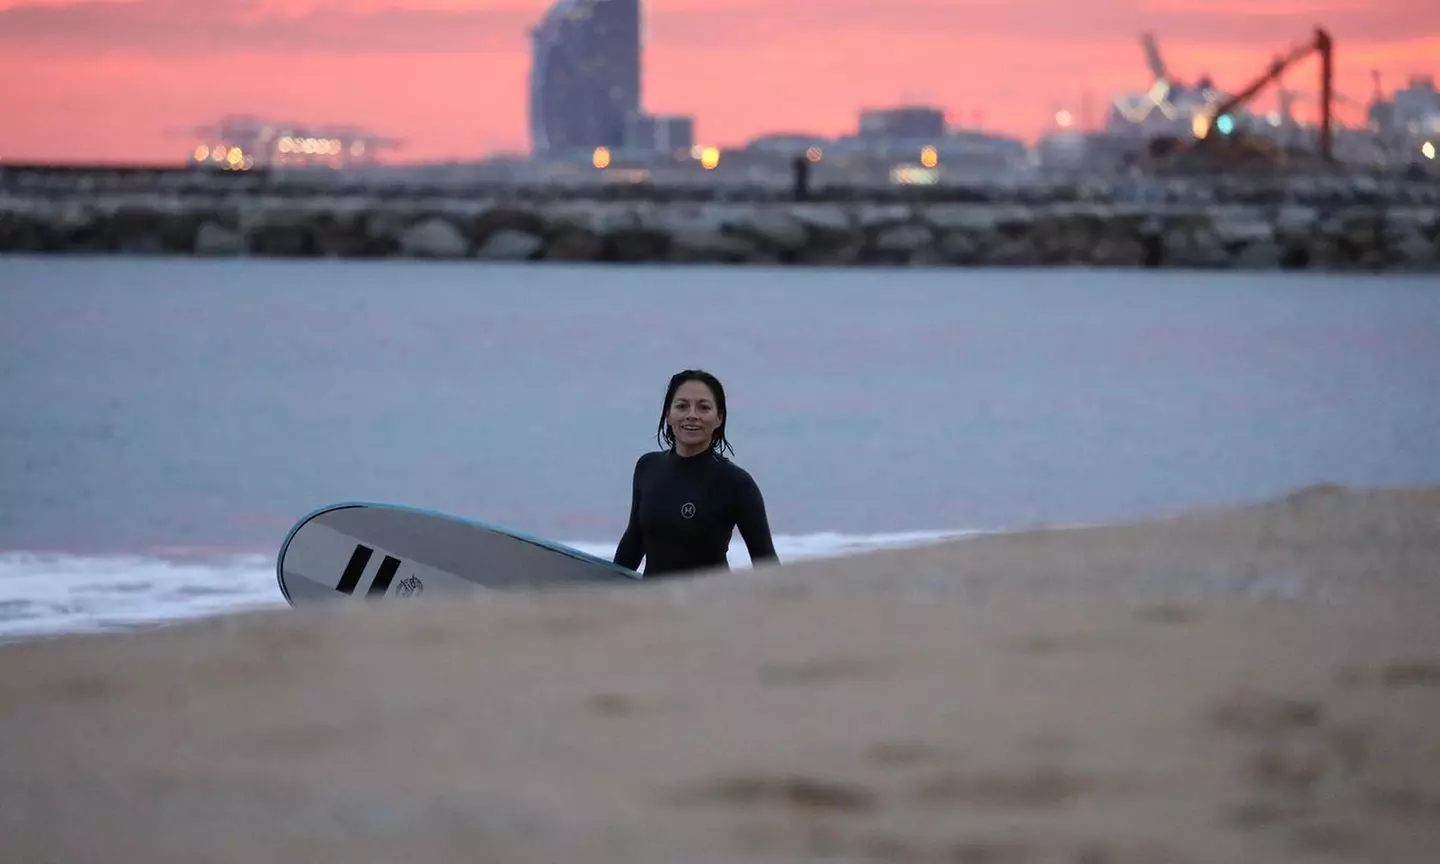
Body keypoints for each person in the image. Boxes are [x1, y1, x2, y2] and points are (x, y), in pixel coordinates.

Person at [613, 369, 779, 577]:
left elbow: (766, 562)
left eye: (704, 407)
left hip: (708, 605)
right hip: (653, 604)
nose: (692, 415)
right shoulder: (648, 467)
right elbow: (633, 544)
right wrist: (603, 595)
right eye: (682, 406)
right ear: (668, 415)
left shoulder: (736, 483)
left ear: (718, 418)